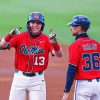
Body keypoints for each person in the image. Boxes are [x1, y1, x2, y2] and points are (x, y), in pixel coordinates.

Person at [0, 11, 62, 100]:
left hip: (37, 81)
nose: (35, 25)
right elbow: (2, 45)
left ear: (42, 25)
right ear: (28, 24)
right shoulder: (19, 37)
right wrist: (9, 35)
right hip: (19, 79)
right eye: (33, 22)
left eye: (38, 23)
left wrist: (55, 44)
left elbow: (59, 54)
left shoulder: (47, 39)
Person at [62, 15, 100, 100]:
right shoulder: (97, 44)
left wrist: (66, 91)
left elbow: (72, 69)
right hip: (98, 86)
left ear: (79, 28)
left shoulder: (75, 45)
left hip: (84, 87)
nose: (70, 28)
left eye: (73, 26)